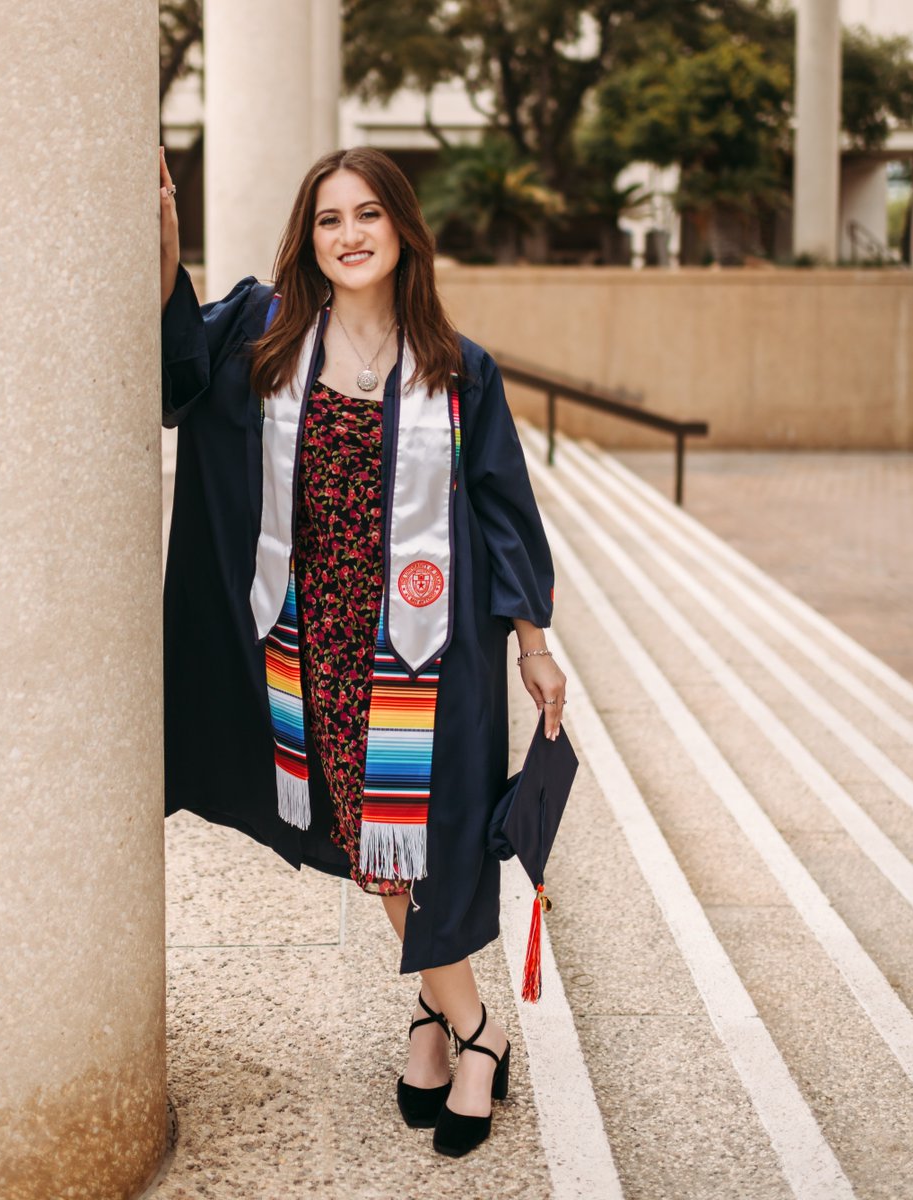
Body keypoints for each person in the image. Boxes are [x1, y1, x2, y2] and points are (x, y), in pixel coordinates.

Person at [158, 144, 566, 1158]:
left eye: (369, 215)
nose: (349, 235)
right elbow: (172, 377)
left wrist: (534, 647)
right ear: (310, 236)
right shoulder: (263, 330)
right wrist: (167, 244)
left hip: (432, 655)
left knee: (424, 845)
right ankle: (469, 1026)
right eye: (330, 218)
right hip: (310, 647)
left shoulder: (460, 370)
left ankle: (454, 1026)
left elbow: (503, 509)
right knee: (374, 847)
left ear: (403, 232)